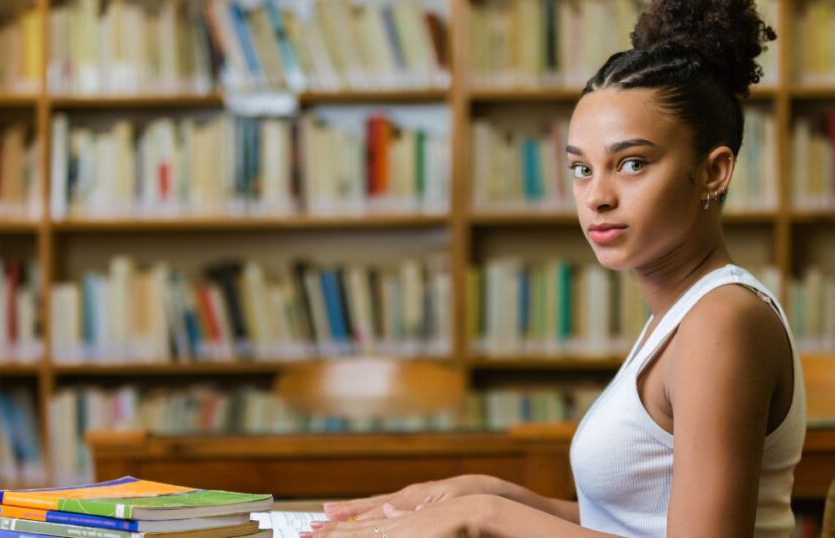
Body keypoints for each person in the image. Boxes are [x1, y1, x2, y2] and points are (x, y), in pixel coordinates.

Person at [307, 0, 804, 536]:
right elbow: (632, 525)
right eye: (581, 169)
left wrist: (486, 517)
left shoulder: (722, 322)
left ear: (714, 172)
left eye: (631, 163)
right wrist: (495, 493)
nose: (597, 197)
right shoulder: (684, 314)